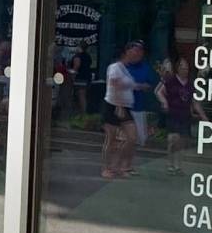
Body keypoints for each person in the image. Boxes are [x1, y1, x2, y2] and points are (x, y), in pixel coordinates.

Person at [155, 58, 209, 175]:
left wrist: (202, 115)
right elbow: (159, 92)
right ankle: (170, 164)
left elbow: (194, 101)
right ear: (177, 68)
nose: (184, 70)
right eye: (182, 68)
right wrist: (164, 102)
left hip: (184, 115)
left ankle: (178, 166)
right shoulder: (171, 81)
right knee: (173, 139)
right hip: (173, 113)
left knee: (181, 141)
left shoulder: (189, 84)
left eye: (186, 69)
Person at [102, 41, 145, 179]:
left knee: (132, 138)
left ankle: (119, 165)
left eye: (138, 52)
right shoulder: (115, 67)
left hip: (126, 107)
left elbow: (128, 85)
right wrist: (119, 106)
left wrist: (139, 86)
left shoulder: (126, 69)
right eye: (134, 51)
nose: (137, 54)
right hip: (113, 106)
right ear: (126, 52)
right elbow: (115, 85)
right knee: (111, 139)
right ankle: (107, 168)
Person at [70, 44, 93, 115]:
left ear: (79, 47)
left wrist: (72, 77)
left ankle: (83, 114)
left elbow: (76, 66)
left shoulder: (78, 56)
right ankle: (81, 113)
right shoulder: (88, 56)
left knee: (81, 96)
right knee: (82, 95)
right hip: (87, 78)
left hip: (80, 78)